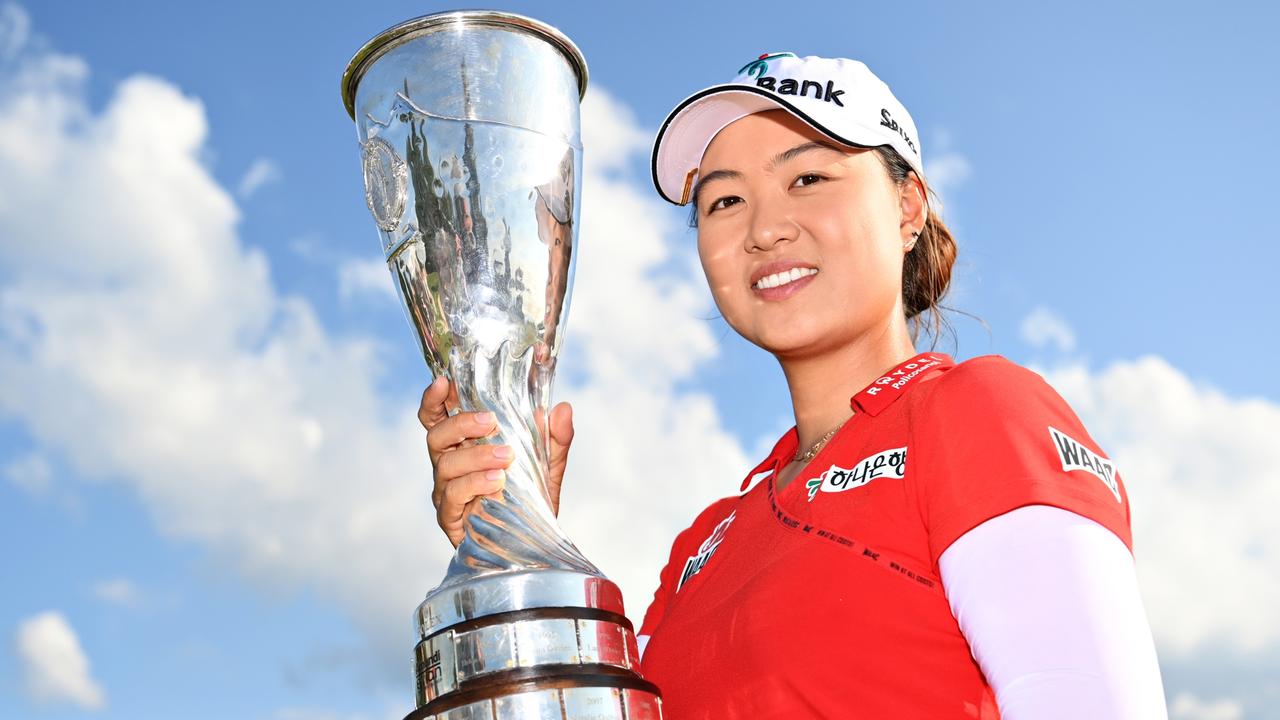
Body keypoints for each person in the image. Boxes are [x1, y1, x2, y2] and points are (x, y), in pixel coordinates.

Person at [418, 53, 1168, 719]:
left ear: (907, 207)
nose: (765, 227)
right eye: (723, 201)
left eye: (808, 177)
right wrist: (516, 549)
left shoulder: (979, 411)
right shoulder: (701, 545)